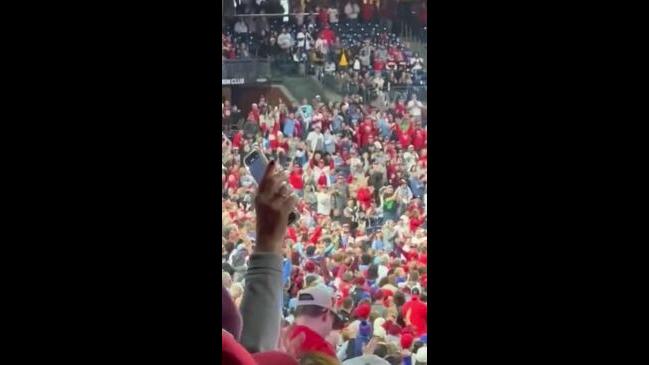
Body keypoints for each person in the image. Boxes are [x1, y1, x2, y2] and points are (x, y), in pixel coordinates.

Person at [286, 285, 346, 359]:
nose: (330, 330)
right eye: (333, 322)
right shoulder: (322, 350)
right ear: (326, 314)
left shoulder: (280, 336)